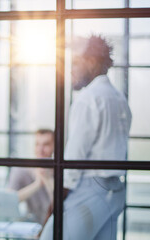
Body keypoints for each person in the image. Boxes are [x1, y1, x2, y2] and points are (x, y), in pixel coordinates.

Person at [40, 35, 132, 240]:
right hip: (115, 190)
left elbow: (73, 161)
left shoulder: (88, 99)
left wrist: (54, 206)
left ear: (91, 62)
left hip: (90, 189)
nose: (70, 70)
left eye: (74, 62)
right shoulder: (120, 99)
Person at [8, 129, 54, 225]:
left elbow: (62, 205)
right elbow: (9, 200)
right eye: (37, 144)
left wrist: (47, 180)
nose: (40, 150)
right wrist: (37, 184)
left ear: (55, 147)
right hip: (31, 225)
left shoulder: (63, 170)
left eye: (46, 145)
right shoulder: (21, 170)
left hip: (55, 224)